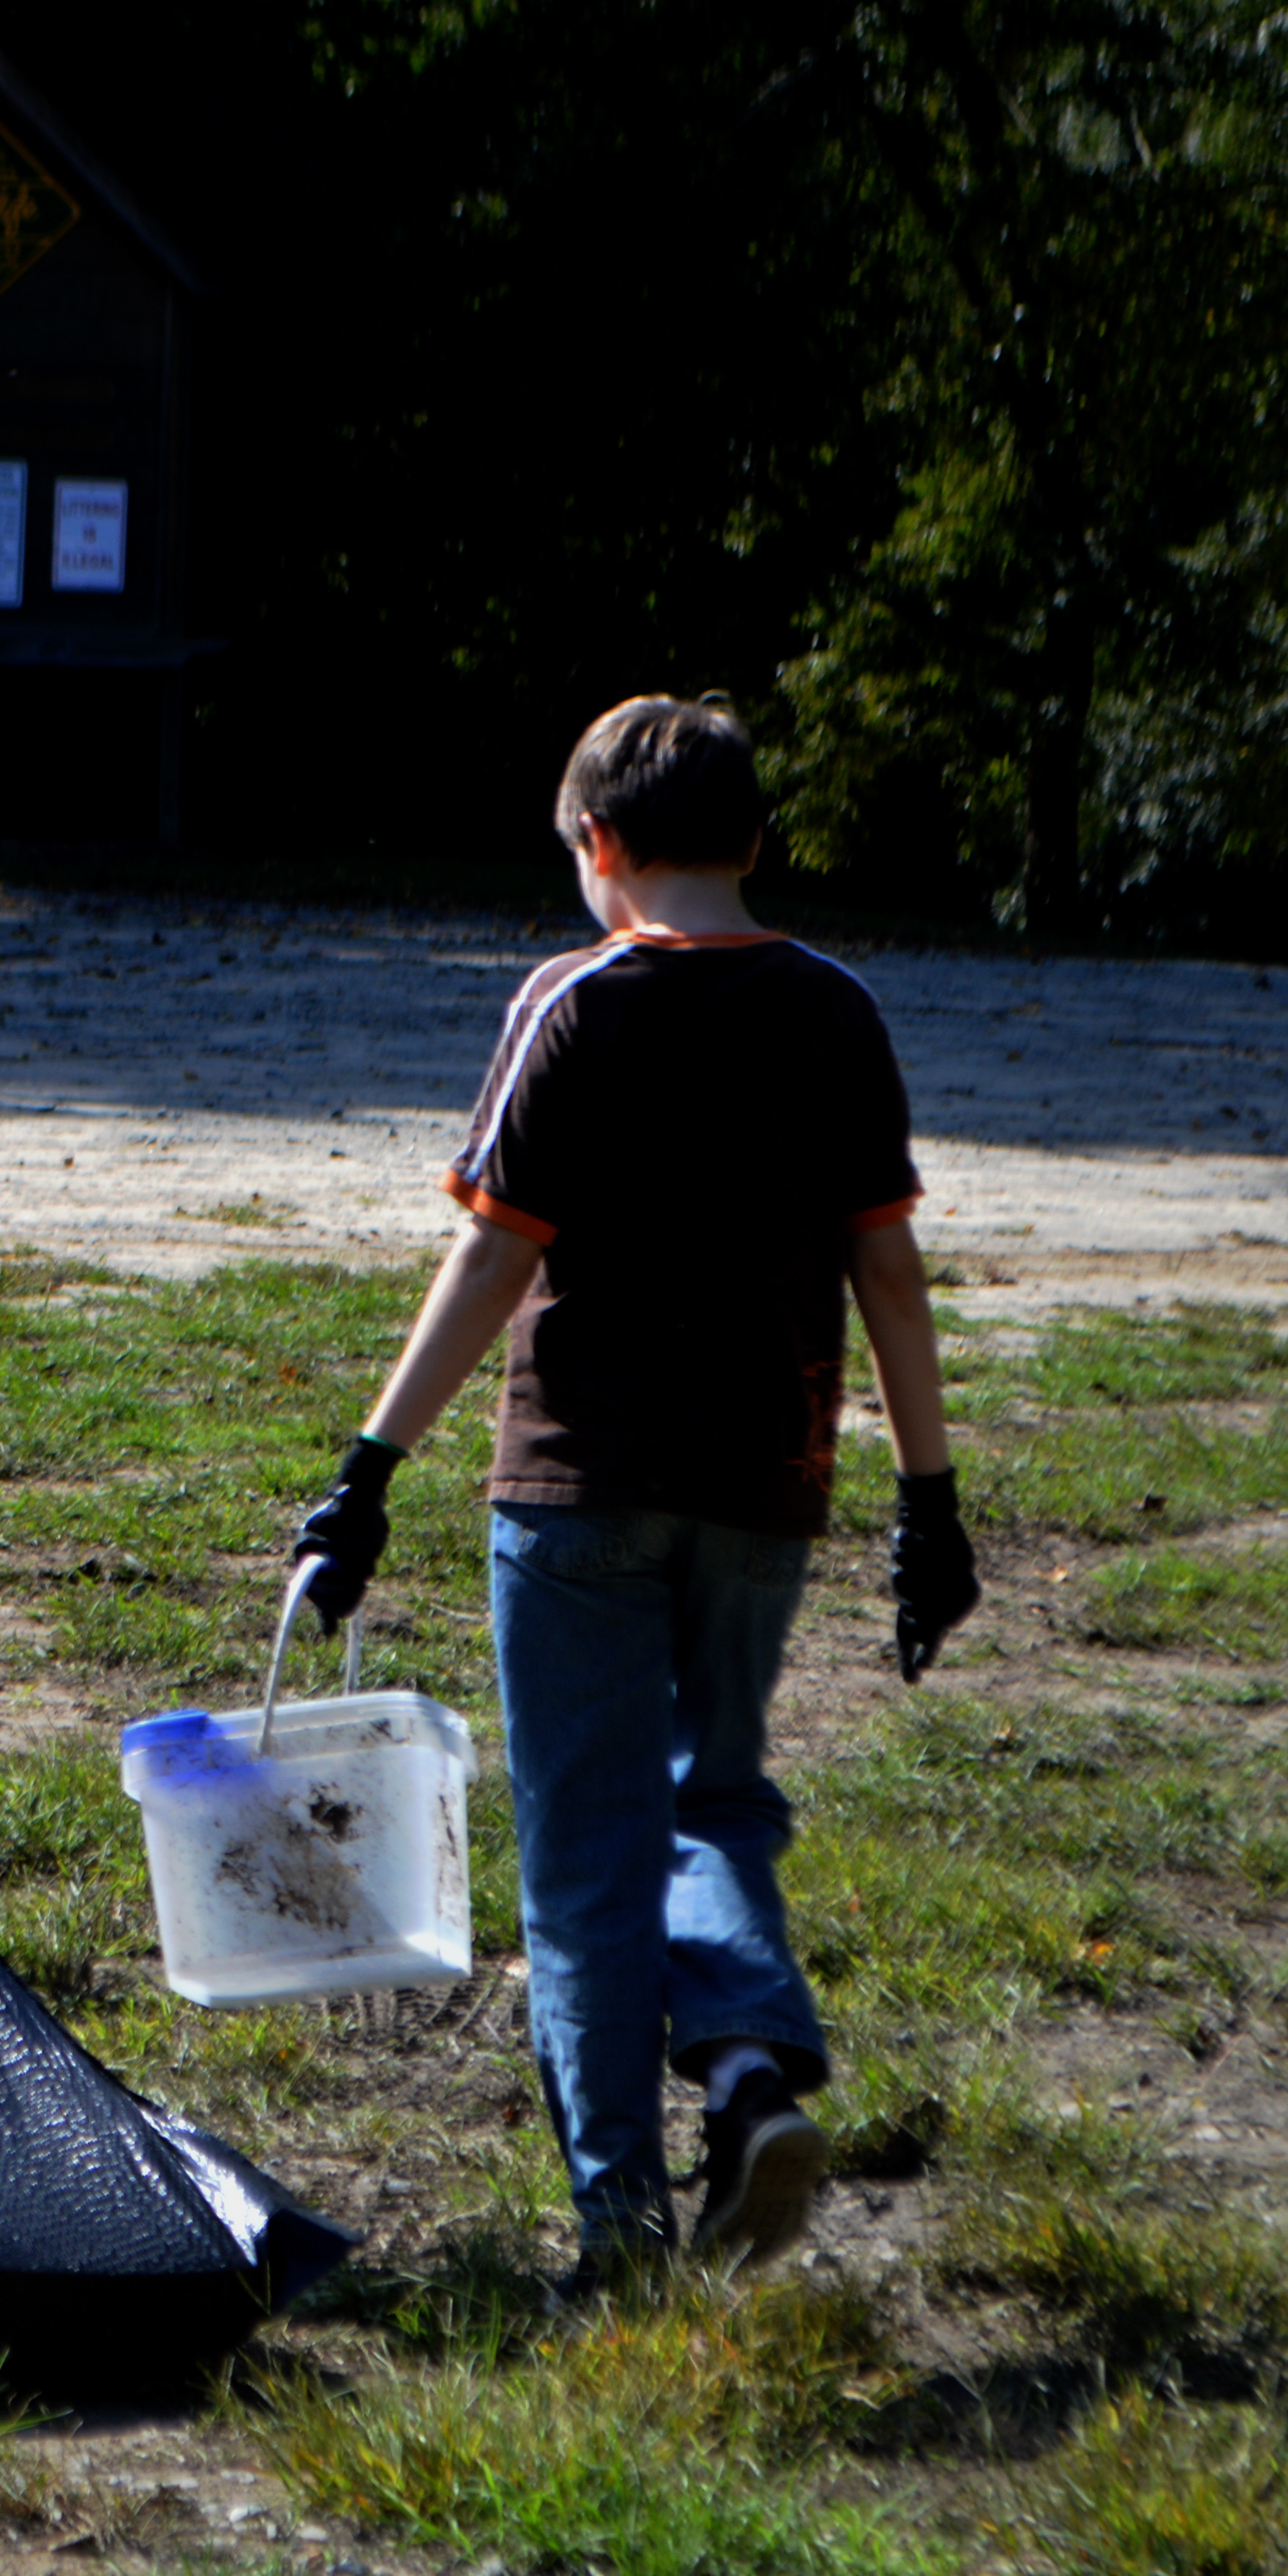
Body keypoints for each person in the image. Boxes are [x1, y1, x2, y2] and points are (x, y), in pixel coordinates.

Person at [286, 696, 979, 2289]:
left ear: (596, 844)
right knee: (712, 1799)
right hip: (766, 1491)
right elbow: (887, 1269)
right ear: (755, 841)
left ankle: (617, 2228)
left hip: (576, 1493)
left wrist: (367, 1471)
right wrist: (928, 1502)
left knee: (588, 1858)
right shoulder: (835, 1007)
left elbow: (493, 1255)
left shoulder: (574, 1000)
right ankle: (742, 2074)